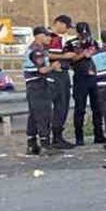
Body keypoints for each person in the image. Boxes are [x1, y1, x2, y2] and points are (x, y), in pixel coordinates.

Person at [68, 21, 104, 145]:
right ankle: (79, 138)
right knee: (80, 108)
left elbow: (100, 57)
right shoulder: (71, 44)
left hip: (94, 78)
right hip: (80, 77)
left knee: (97, 108)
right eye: (81, 32)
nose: (84, 35)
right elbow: (70, 59)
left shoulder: (94, 43)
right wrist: (83, 54)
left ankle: (98, 135)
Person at [23, 27, 56, 155]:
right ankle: (45, 144)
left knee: (34, 115)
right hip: (38, 84)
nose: (49, 38)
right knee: (43, 114)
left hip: (32, 85)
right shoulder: (37, 51)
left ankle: (32, 144)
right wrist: (53, 67)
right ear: (38, 36)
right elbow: (42, 70)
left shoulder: (36, 49)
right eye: (46, 36)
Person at [45, 15, 77, 148]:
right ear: (59, 23)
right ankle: (55, 138)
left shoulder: (59, 38)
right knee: (60, 104)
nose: (68, 30)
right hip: (55, 74)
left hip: (61, 73)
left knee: (63, 105)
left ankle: (57, 136)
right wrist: (65, 56)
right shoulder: (50, 37)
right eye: (67, 27)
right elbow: (47, 54)